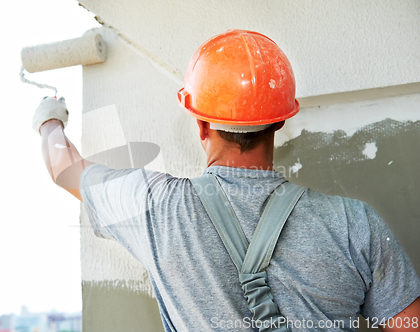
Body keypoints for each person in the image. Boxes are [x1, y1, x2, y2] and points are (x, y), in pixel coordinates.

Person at [32, 30, 420, 331]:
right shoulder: (356, 224)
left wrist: (50, 119)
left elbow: (63, 168)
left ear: (201, 124)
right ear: (281, 121)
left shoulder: (156, 208)